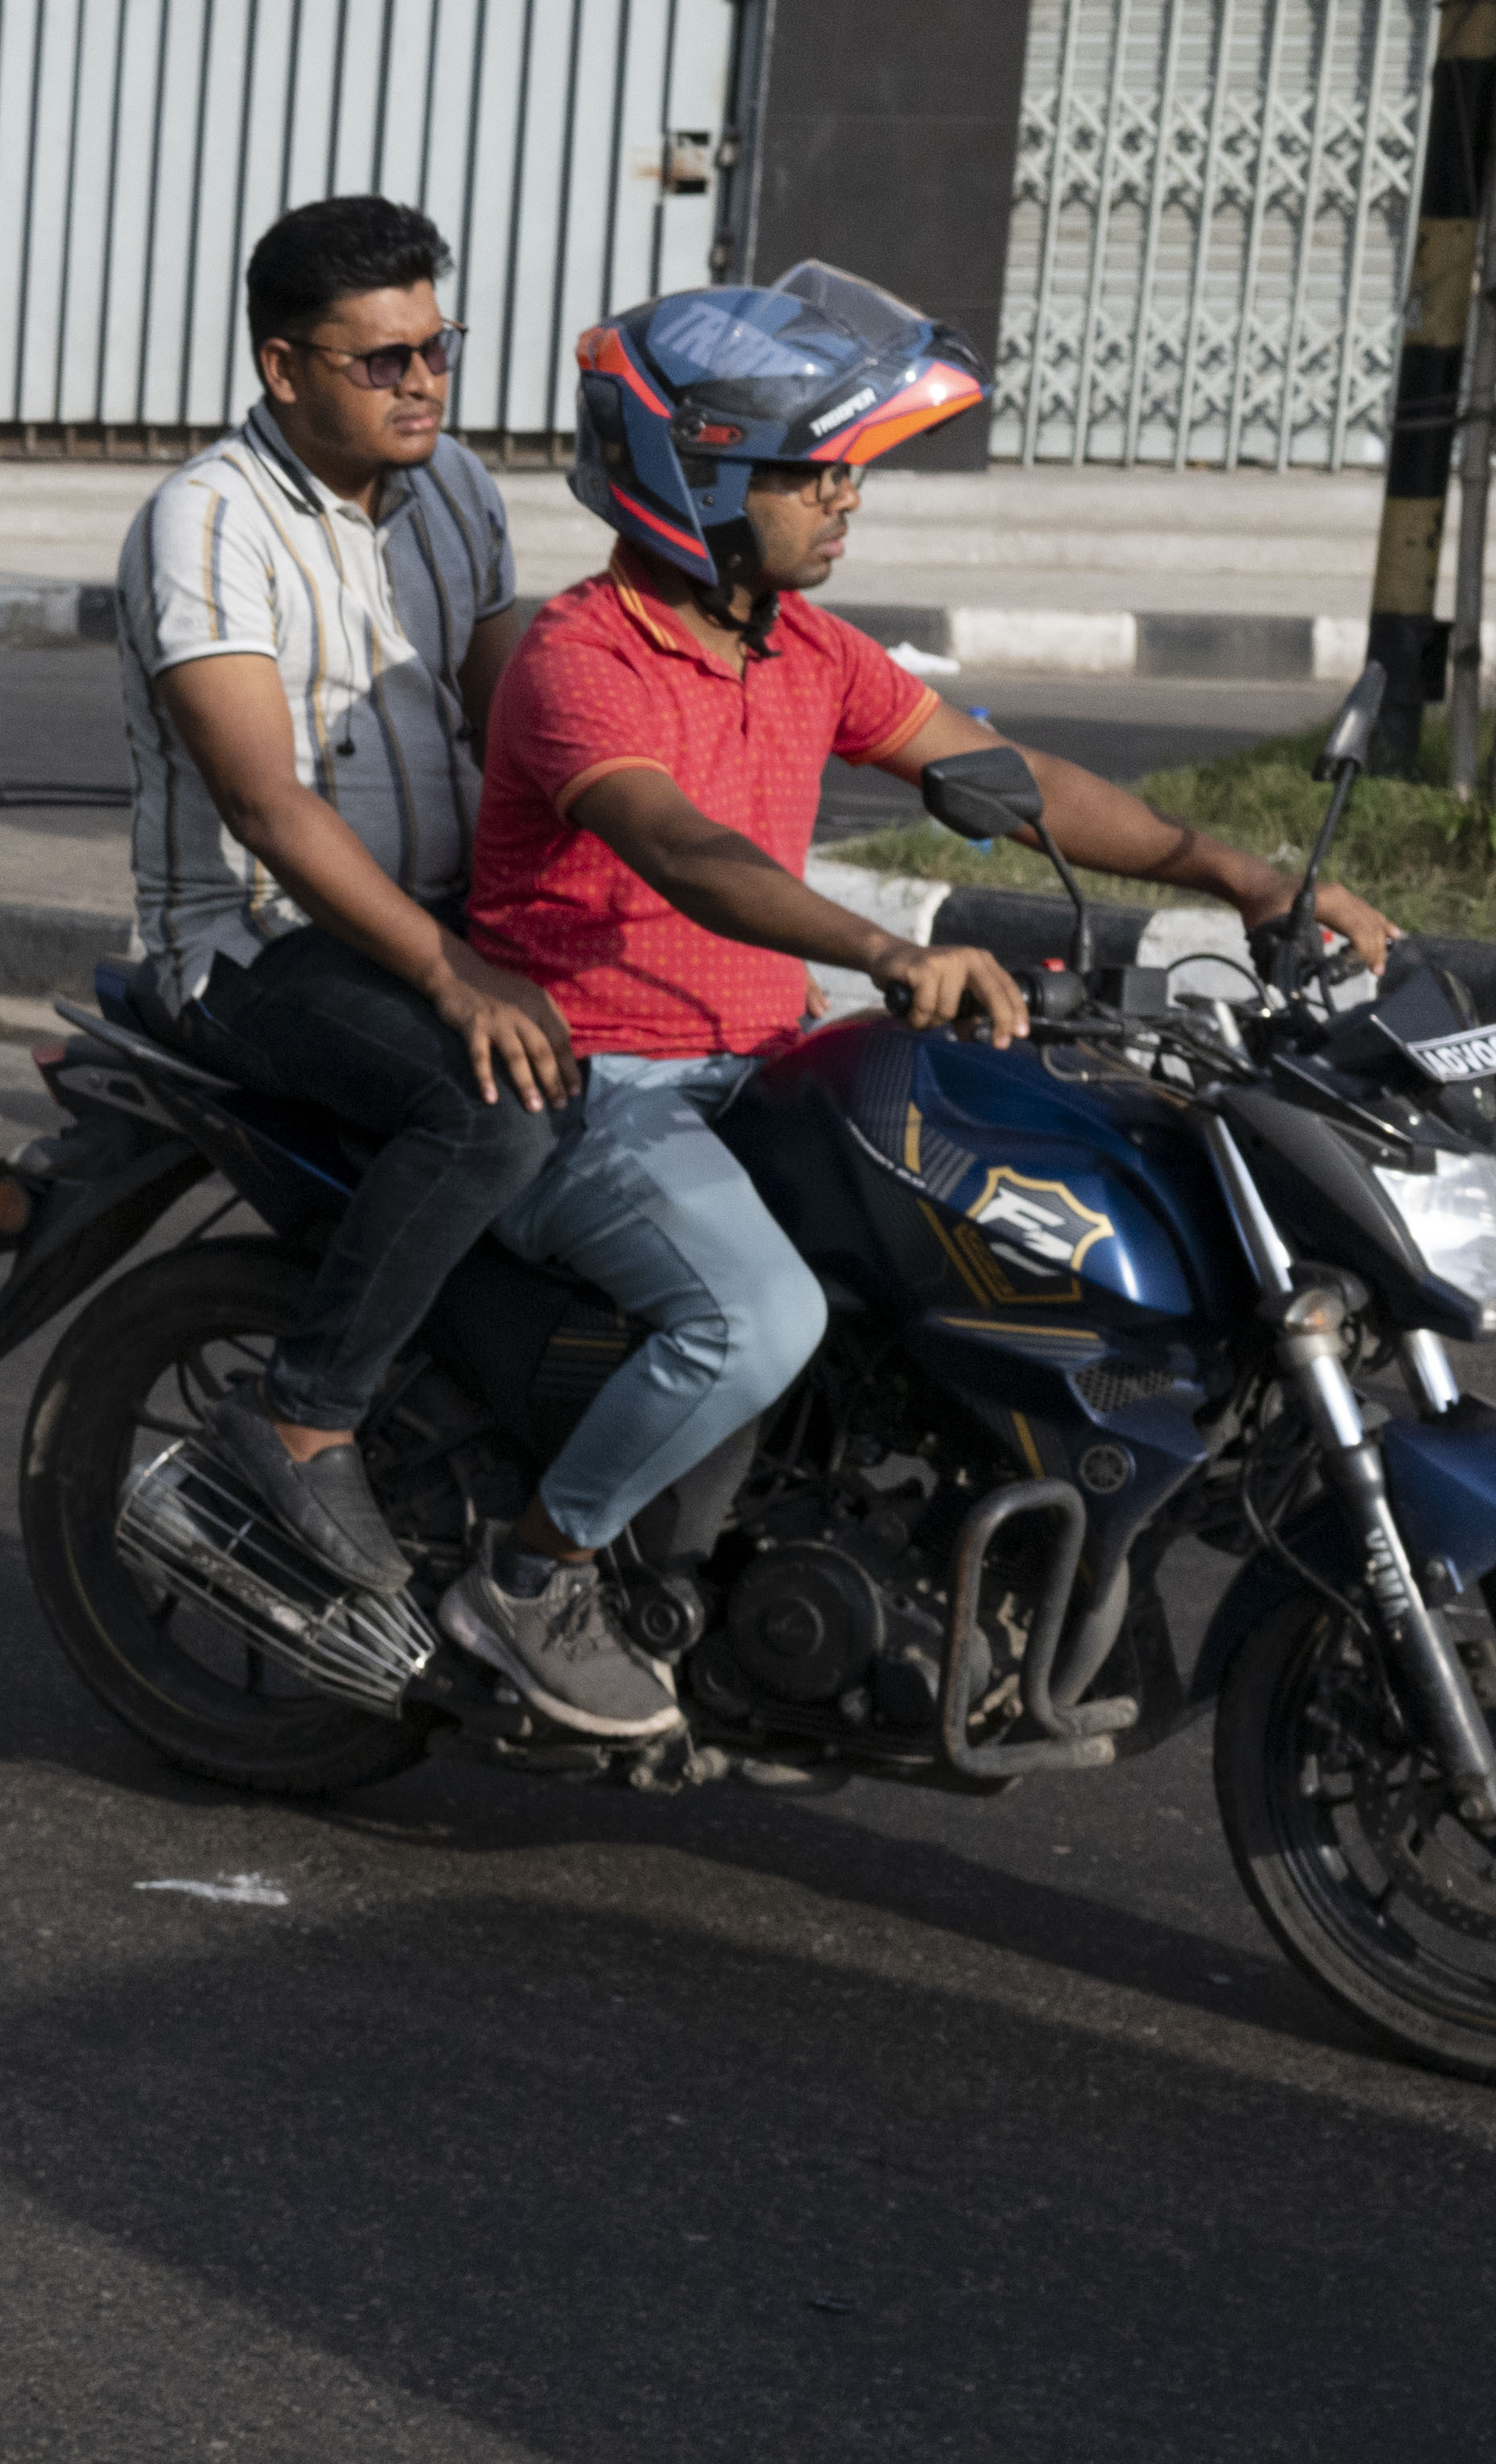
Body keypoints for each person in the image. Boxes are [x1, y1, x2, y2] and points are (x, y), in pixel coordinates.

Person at [455, 266, 1395, 1740]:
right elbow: (682, 851)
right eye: (811, 472)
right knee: (756, 1317)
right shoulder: (579, 661)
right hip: (597, 1083)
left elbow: (1007, 779)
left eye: (849, 470)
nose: (846, 499)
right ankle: (535, 1573)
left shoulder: (795, 642)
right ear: (691, 472)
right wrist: (885, 948)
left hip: (763, 1068)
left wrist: (1234, 871)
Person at [114, 193, 555, 1597]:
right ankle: (302, 1415)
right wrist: (448, 970)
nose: (421, 382)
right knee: (494, 1106)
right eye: (382, 360)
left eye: (437, 348)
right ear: (283, 366)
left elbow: (506, 715)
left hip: (441, 911)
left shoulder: (462, 490)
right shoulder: (204, 523)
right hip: (253, 947)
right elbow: (264, 803)